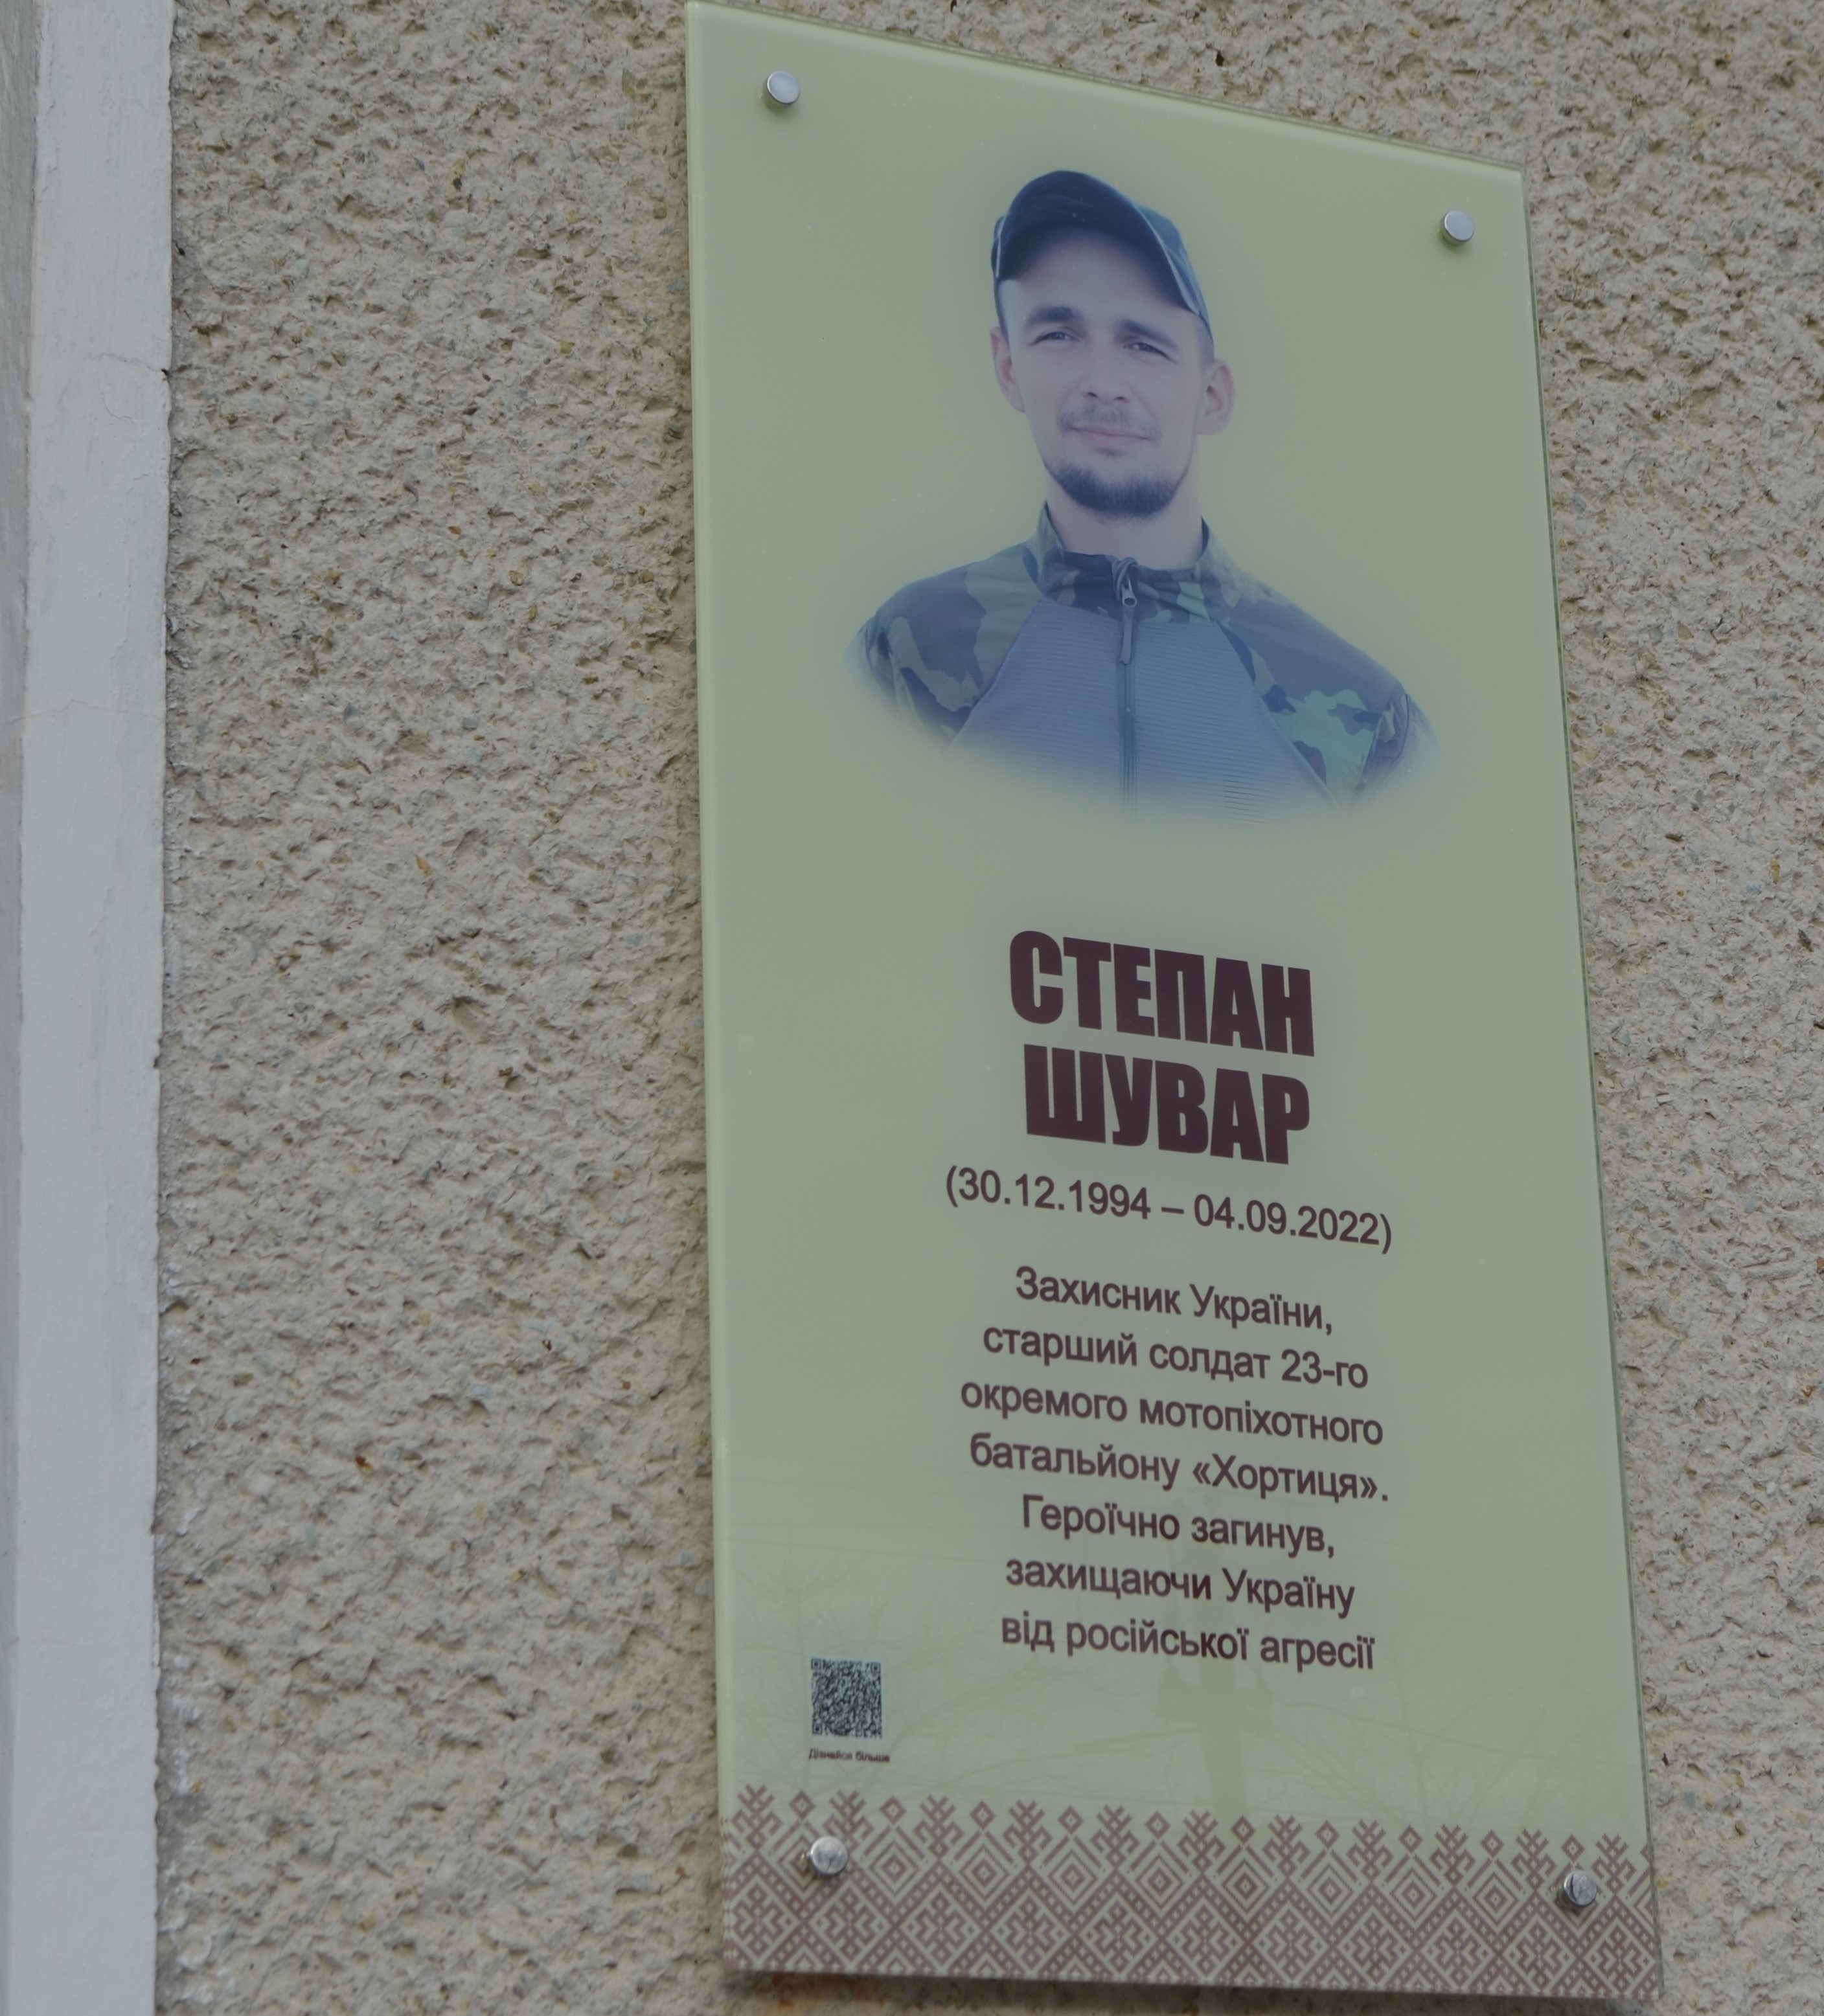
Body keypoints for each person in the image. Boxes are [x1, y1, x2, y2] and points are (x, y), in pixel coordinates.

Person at [851, 170, 1433, 810]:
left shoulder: (1364, 713)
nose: (1103, 381)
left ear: (1211, 396)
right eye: (1059, 335)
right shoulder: (905, 649)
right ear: (1008, 366)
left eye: (1144, 346)